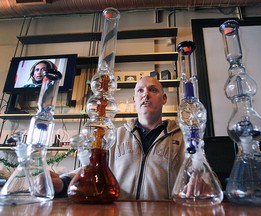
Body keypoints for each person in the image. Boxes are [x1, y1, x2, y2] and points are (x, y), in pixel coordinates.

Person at [50, 76, 185, 200]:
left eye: (153, 90)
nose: (146, 94)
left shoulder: (182, 139)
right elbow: (91, 168)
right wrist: (61, 183)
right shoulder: (115, 136)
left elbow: (196, 176)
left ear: (164, 99)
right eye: (140, 91)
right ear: (134, 100)